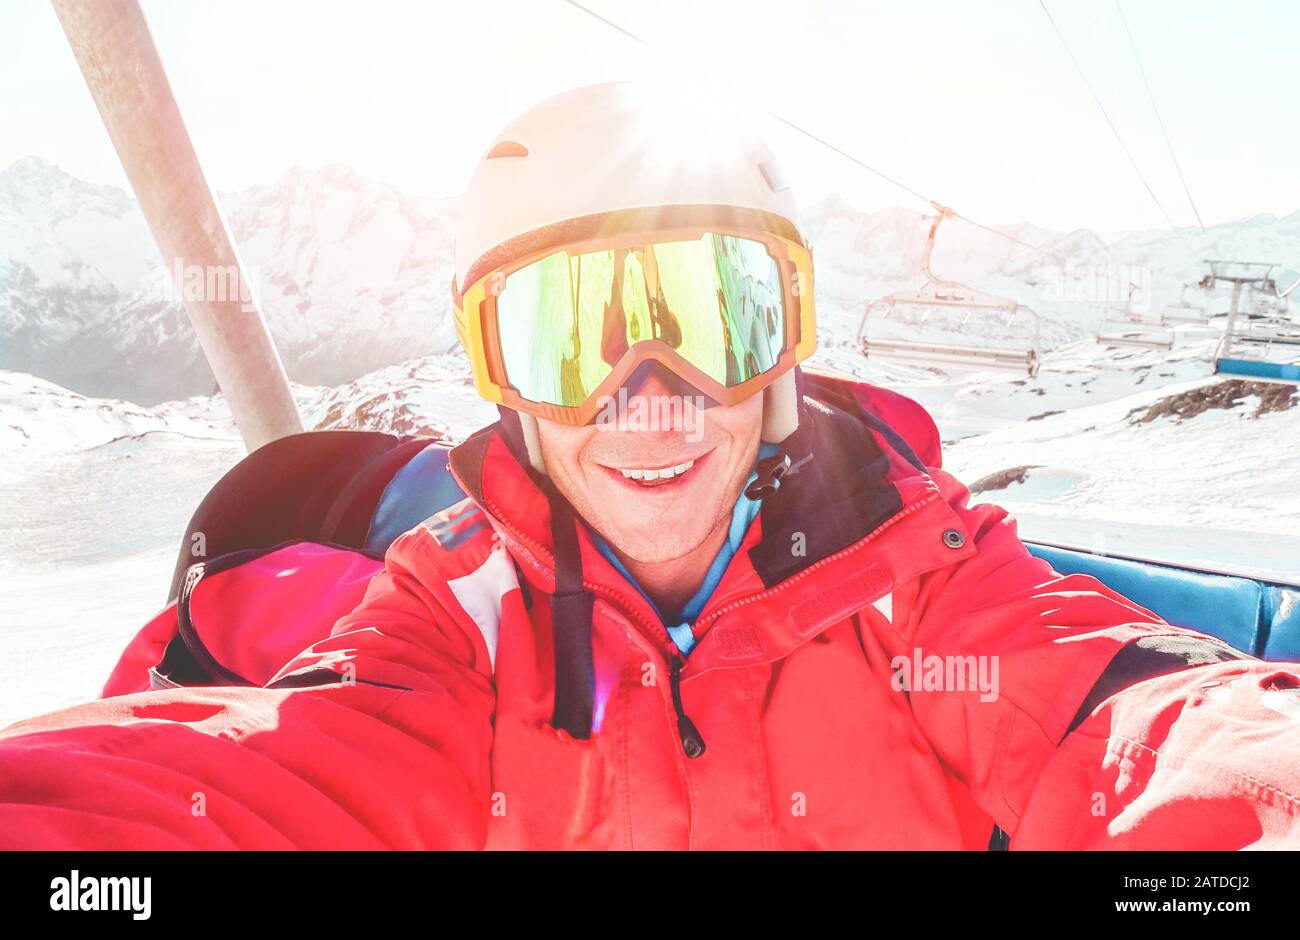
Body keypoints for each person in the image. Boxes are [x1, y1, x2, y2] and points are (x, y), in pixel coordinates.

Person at [1, 81, 1298, 849]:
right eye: (569, 338)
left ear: (784, 348)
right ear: (497, 376)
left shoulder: (926, 584)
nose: (651, 400)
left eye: (713, 317)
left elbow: (1122, 708)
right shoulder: (452, 633)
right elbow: (262, 778)